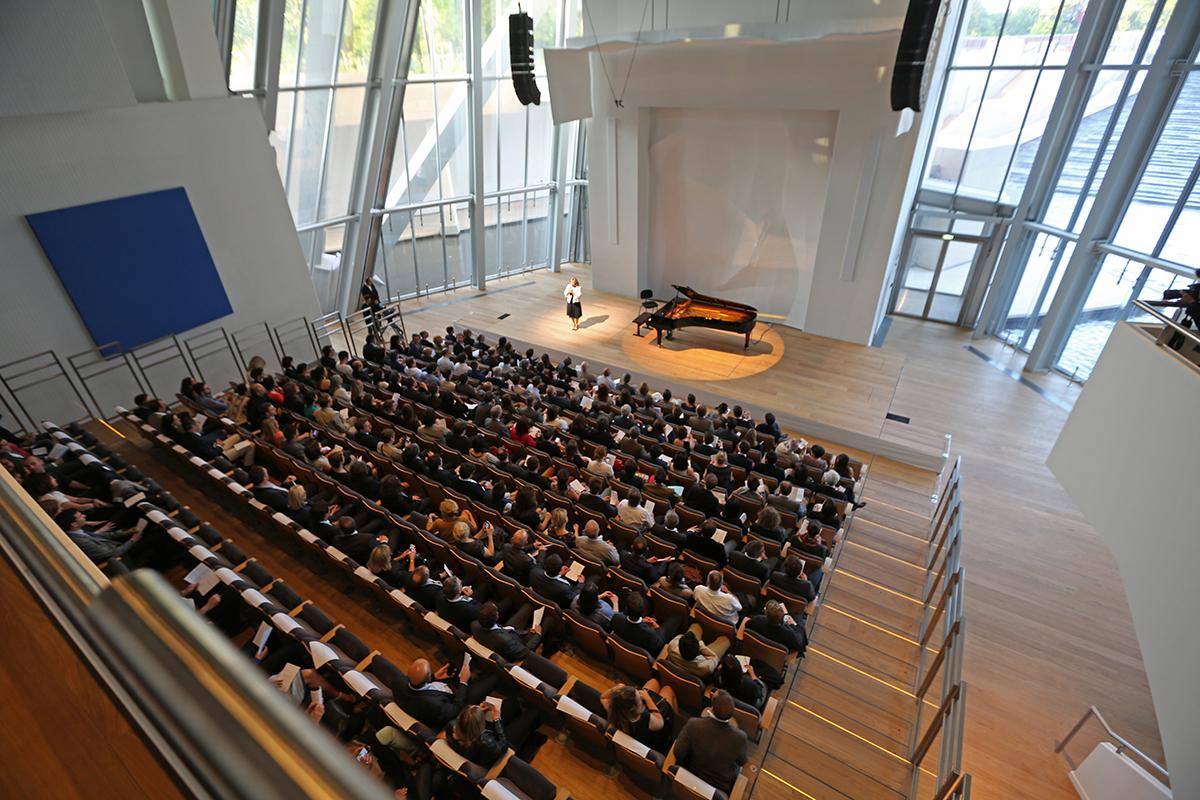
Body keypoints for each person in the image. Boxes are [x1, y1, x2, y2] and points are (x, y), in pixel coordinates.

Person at [673, 690, 748, 793]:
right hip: (719, 788)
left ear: (712, 708)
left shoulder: (693, 724)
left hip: (691, 775)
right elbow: (741, 761)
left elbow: (678, 753)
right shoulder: (740, 738)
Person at [600, 681, 677, 754]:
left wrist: (616, 689)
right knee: (668, 689)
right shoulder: (645, 719)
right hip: (655, 740)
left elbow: (603, 697)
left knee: (654, 681)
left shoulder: (614, 710)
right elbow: (660, 722)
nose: (640, 695)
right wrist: (648, 699)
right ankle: (677, 719)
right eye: (639, 699)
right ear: (634, 708)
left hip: (634, 734)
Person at [663, 626, 729, 680]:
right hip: (699, 665)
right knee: (725, 640)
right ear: (698, 650)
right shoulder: (706, 667)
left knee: (696, 626)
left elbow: (680, 636)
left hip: (679, 664)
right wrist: (701, 644)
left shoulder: (672, 646)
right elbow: (715, 657)